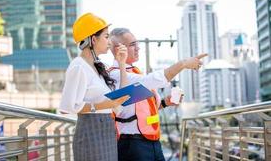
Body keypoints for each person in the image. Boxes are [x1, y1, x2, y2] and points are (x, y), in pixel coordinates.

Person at [109, 28, 207, 161]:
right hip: (133, 144)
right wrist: (183, 64)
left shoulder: (134, 72)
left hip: (151, 141)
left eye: (137, 44)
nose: (138, 48)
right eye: (132, 45)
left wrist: (166, 102)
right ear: (118, 49)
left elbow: (140, 109)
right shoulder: (116, 74)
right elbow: (152, 80)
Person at [59, 13, 129, 161]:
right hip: (91, 131)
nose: (109, 41)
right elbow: (67, 107)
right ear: (93, 39)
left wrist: (122, 64)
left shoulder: (98, 67)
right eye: (106, 36)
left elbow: (120, 99)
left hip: (106, 129)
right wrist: (105, 104)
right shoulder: (78, 66)